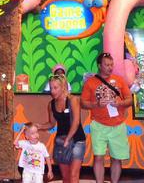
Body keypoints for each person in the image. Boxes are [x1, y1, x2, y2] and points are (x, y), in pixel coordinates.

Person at [81, 52, 132, 183]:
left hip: (118, 125)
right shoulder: (90, 82)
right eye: (107, 65)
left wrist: (120, 103)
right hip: (98, 125)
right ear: (99, 65)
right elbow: (83, 103)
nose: (110, 67)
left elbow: (129, 100)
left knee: (116, 158)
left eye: (111, 64)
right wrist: (96, 104)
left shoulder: (120, 80)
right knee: (98, 157)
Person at [37, 74, 86, 183]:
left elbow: (76, 122)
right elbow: (51, 124)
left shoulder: (73, 100)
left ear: (63, 87)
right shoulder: (51, 104)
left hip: (77, 140)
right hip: (61, 141)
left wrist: (68, 139)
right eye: (51, 88)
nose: (52, 91)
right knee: (66, 177)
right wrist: (38, 126)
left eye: (55, 88)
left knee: (73, 175)